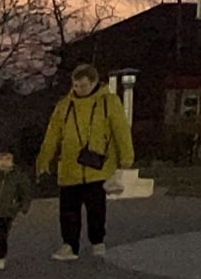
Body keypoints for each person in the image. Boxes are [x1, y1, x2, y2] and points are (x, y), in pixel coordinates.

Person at [37, 64, 134, 261]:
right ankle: (69, 245)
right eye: (75, 85)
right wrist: (44, 160)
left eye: (83, 86)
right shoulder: (64, 106)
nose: (78, 89)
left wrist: (126, 158)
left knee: (96, 208)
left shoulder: (109, 102)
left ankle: (97, 241)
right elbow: (52, 135)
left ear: (94, 83)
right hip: (70, 167)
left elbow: (121, 131)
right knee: (68, 210)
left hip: (97, 167)